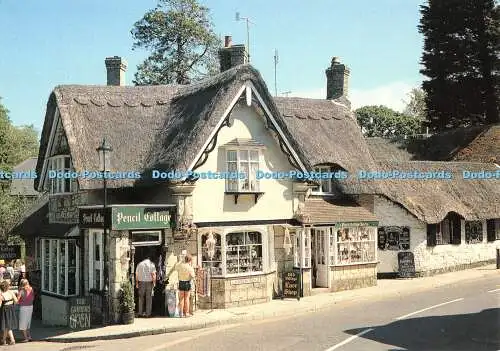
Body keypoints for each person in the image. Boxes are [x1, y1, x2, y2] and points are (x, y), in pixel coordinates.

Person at [168, 254, 196, 318]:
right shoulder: (189, 267)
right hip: (187, 283)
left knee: (181, 299)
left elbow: (173, 269)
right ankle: (186, 313)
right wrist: (195, 283)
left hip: (181, 282)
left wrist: (168, 276)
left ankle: (181, 314)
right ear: (190, 260)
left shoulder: (179, 265)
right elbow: (193, 276)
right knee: (186, 298)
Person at [0, 280, 18, 345]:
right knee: (7, 326)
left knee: (7, 325)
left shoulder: (1, 294)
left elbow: (0, 304)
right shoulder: (11, 292)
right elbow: (16, 301)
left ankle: (12, 339)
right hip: (11, 308)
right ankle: (3, 340)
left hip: (4, 309)